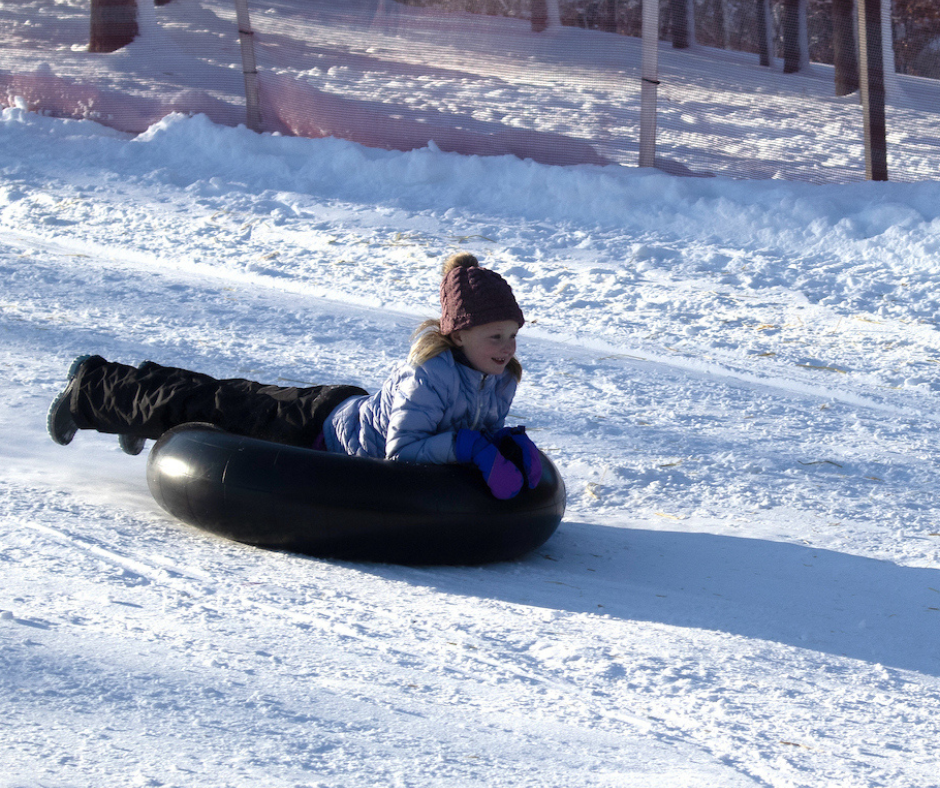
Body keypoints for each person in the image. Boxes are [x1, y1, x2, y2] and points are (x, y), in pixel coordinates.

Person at [47, 252, 541, 499]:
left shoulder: (498, 376)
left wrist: (504, 442)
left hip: (348, 413)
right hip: (313, 428)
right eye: (494, 337)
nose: (507, 349)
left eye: (512, 335)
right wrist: (470, 448)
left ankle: (138, 408)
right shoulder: (428, 374)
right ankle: (91, 388)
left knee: (214, 400)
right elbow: (404, 452)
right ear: (458, 335)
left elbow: (468, 428)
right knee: (212, 402)